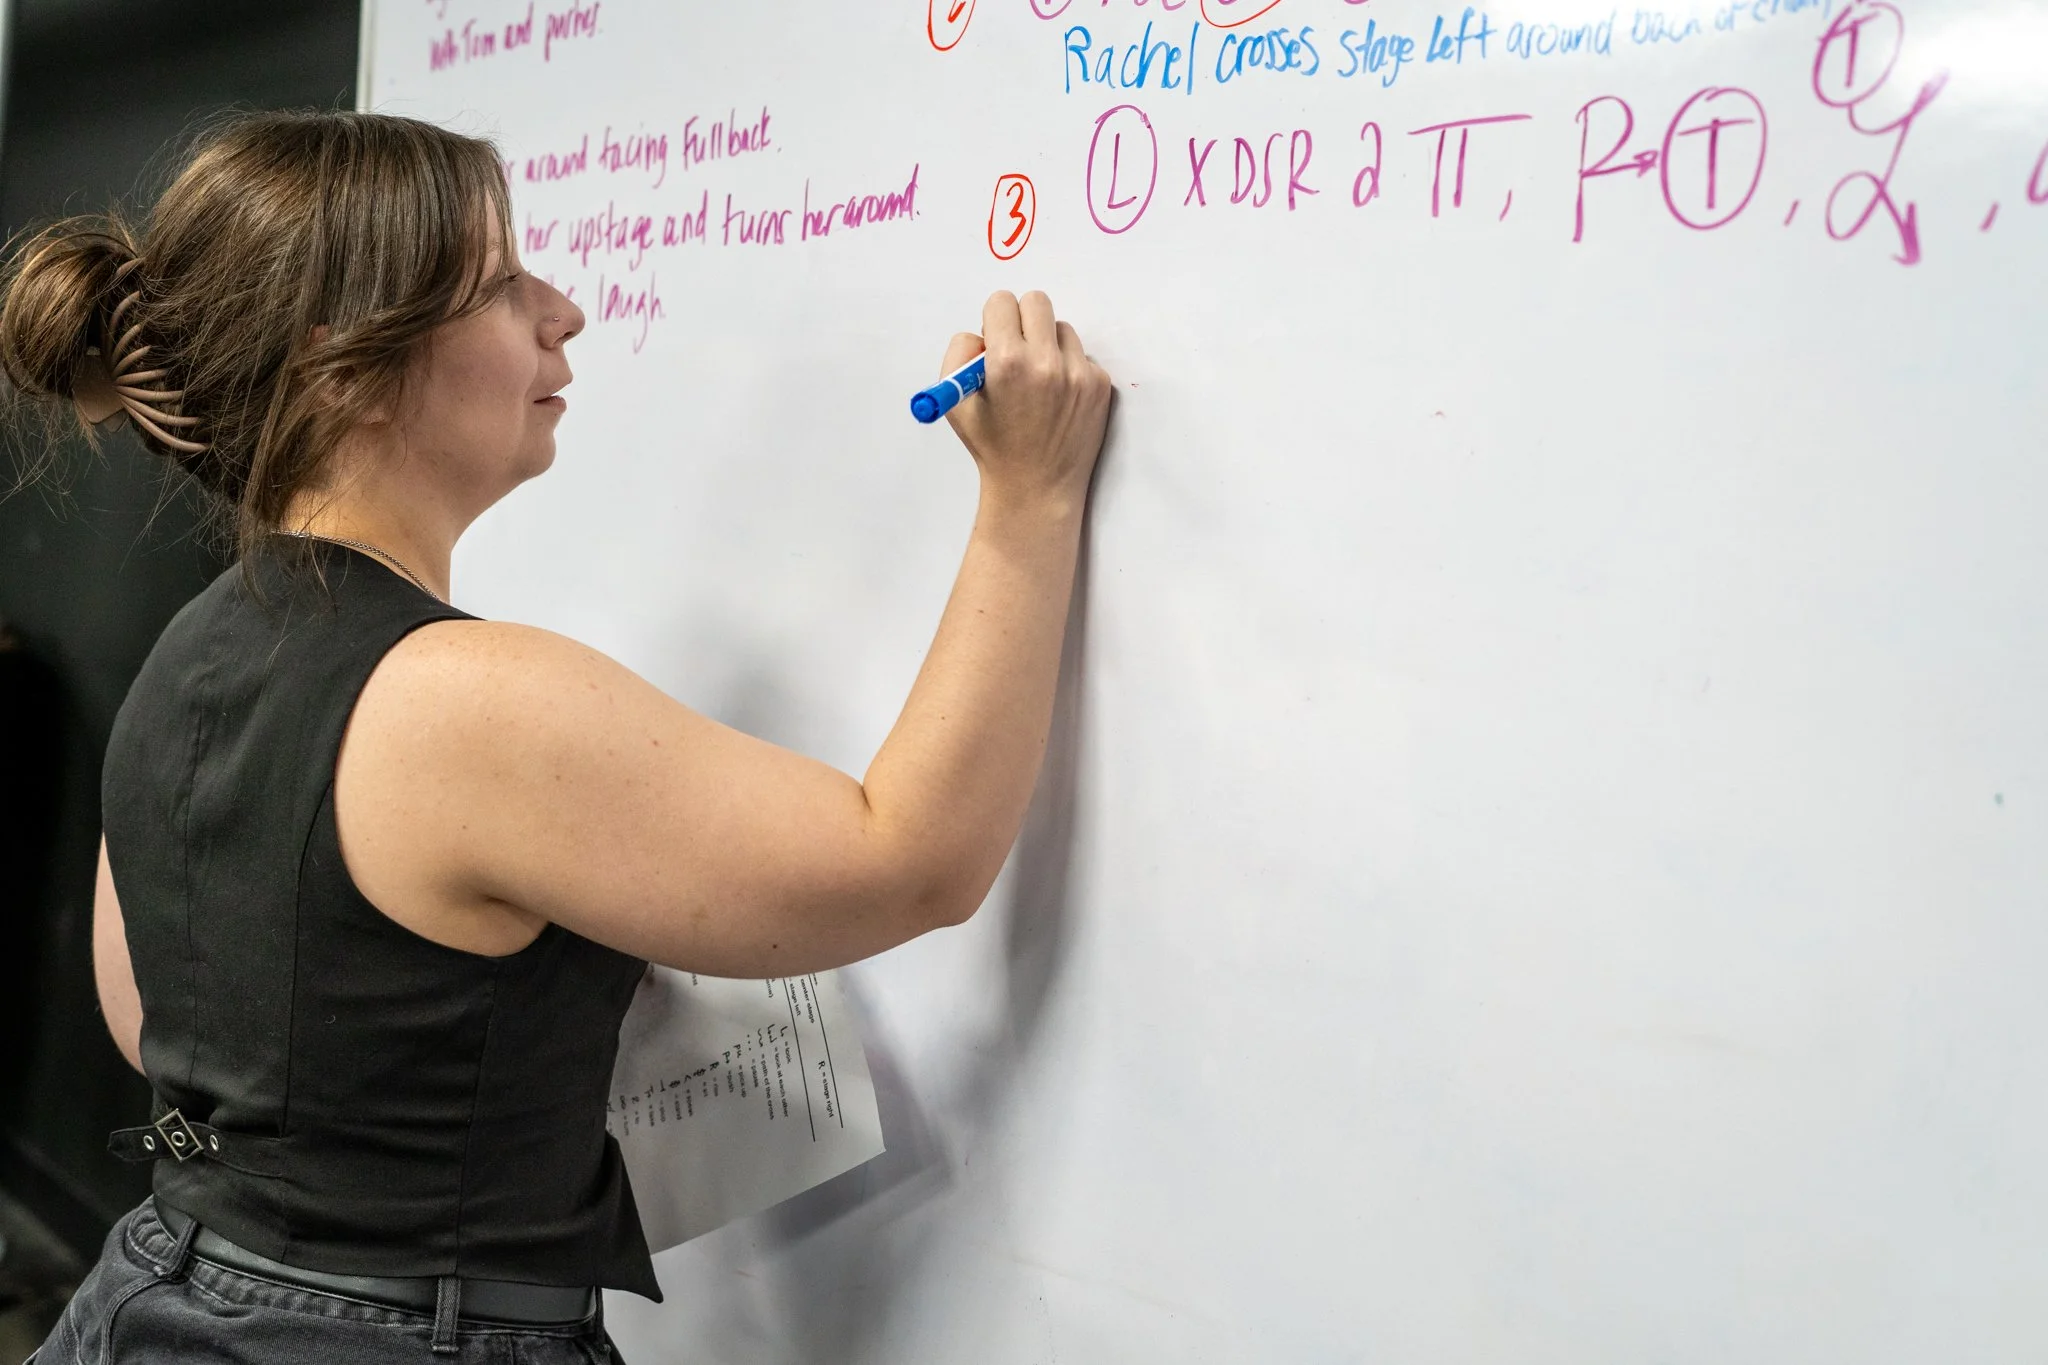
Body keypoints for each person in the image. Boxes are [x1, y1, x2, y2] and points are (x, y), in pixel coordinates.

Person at [3, 109, 1110, 1364]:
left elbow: (152, 1017)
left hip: (157, 1301)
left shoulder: (186, 657)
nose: (561, 310)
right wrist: (1030, 500)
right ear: (341, 367)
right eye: (495, 283)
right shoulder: (457, 695)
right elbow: (911, 860)